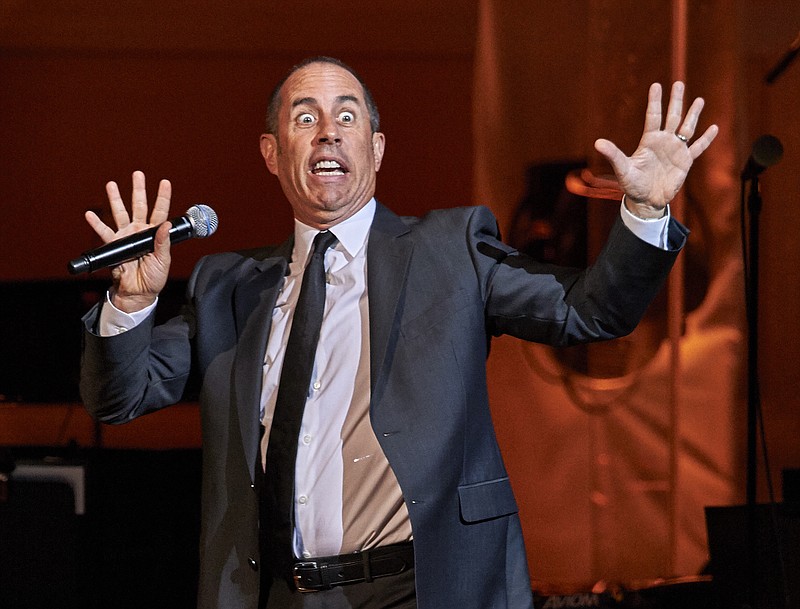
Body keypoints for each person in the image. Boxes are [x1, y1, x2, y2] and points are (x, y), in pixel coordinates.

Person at [79, 56, 718, 609]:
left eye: (347, 116)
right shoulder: (228, 285)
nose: (328, 132)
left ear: (377, 149)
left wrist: (645, 211)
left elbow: (591, 312)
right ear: (272, 154)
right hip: (279, 592)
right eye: (305, 119)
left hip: (422, 586)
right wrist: (130, 303)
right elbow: (119, 398)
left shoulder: (451, 251)